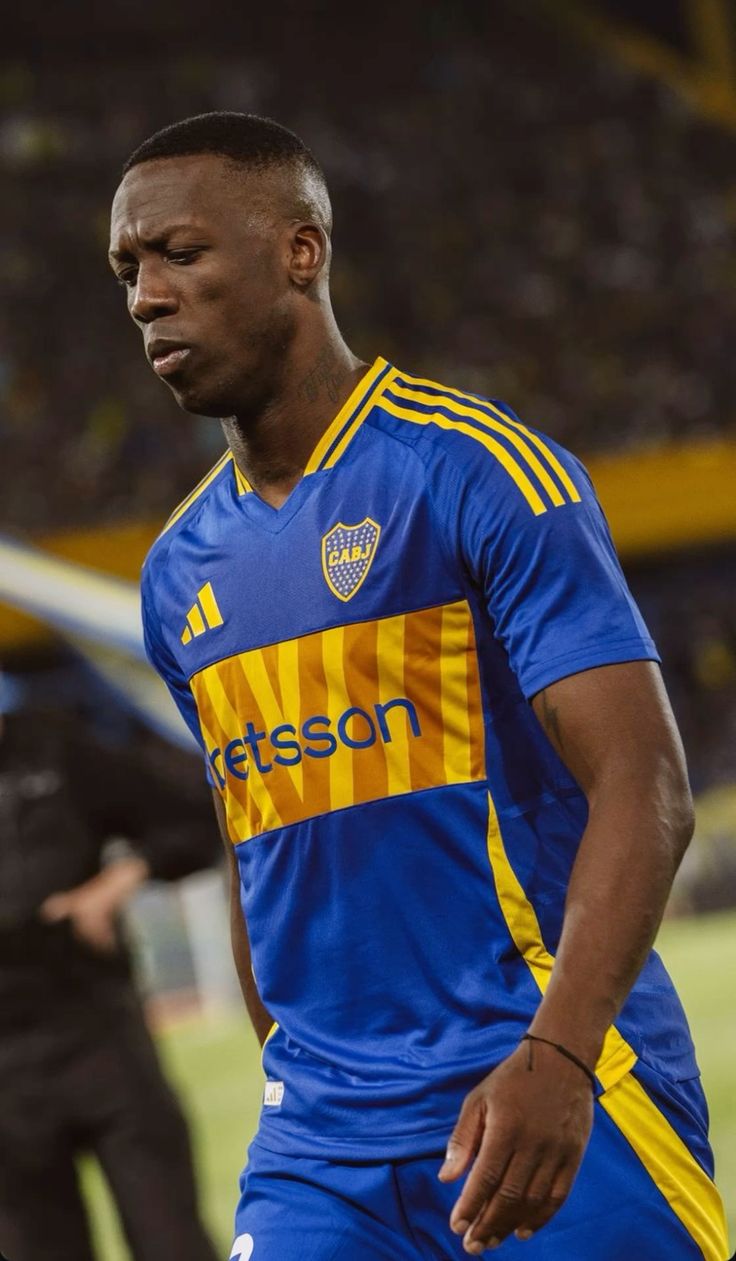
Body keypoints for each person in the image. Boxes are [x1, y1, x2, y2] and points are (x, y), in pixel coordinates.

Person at [109, 111, 730, 1259]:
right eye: (128, 270)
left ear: (300, 251)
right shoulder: (175, 573)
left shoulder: (475, 470)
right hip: (320, 1149)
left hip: (541, 1086)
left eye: (179, 254)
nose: (147, 296)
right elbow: (254, 844)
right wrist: (292, 1068)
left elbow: (644, 782)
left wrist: (560, 1053)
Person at [0, 688, 220, 1261]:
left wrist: (116, 883)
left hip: (98, 1031)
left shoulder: (54, 746)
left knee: (172, 1242)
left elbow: (191, 820)